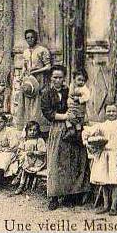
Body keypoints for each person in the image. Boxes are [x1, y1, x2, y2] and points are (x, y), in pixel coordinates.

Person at [41, 65, 91, 210]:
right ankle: (54, 196)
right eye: (55, 77)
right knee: (57, 162)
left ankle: (71, 194)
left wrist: (79, 119)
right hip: (58, 128)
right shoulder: (47, 93)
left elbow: (81, 102)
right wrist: (64, 116)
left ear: (64, 78)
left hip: (74, 126)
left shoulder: (70, 90)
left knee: (74, 160)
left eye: (60, 77)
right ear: (51, 78)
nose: (58, 80)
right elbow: (47, 112)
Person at [83, 102, 117, 215]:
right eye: (109, 111)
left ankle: (113, 206)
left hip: (115, 157)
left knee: (114, 182)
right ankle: (105, 205)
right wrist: (87, 140)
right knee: (103, 182)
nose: (111, 113)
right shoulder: (101, 126)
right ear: (105, 112)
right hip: (103, 156)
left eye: (114, 111)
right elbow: (88, 131)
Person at [14, 29, 52, 131]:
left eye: (32, 37)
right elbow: (25, 66)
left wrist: (36, 71)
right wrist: (22, 76)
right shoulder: (26, 52)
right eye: (27, 38)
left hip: (40, 80)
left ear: (35, 38)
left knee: (38, 104)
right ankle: (28, 127)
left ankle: (40, 128)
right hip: (28, 82)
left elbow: (48, 67)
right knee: (27, 103)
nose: (30, 39)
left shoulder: (42, 50)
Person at [13, 121, 47, 195]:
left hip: (38, 161)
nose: (32, 132)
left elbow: (43, 152)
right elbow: (21, 150)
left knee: (25, 159)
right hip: (27, 161)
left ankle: (19, 178)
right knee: (24, 156)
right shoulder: (25, 140)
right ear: (27, 131)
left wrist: (33, 152)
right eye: (30, 130)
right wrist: (23, 153)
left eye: (35, 130)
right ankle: (21, 184)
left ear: (38, 131)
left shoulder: (39, 140)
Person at [64, 70, 91, 140]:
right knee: (68, 118)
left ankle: (78, 131)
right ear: (74, 79)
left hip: (78, 108)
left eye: (83, 80)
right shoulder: (72, 85)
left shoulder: (84, 89)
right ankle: (70, 129)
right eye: (79, 79)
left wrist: (79, 99)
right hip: (71, 107)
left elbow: (87, 97)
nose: (81, 82)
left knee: (76, 119)